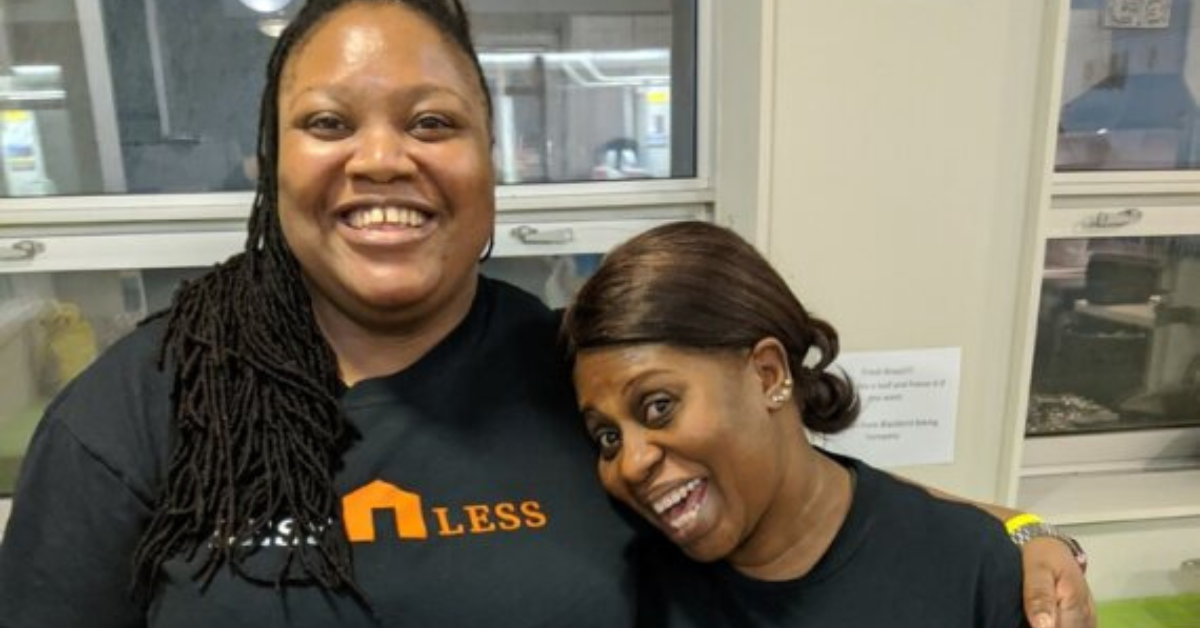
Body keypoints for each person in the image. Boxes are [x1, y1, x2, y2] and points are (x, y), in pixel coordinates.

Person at [0, 1, 1092, 626]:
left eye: (433, 122)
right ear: (269, 166)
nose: (384, 158)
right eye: (329, 122)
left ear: (490, 165)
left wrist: (1016, 534)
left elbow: (777, 470)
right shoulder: (138, 413)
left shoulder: (566, 374)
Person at [562, 220, 1087, 628]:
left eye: (658, 406)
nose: (631, 463)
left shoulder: (974, 575)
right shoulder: (632, 589)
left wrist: (1032, 531)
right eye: (607, 437)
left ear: (768, 374)